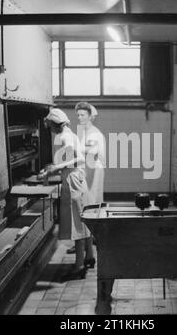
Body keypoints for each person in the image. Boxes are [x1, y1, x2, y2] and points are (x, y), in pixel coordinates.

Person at [38, 108, 94, 279]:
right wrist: (51, 170)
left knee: (77, 223)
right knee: (82, 220)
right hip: (75, 179)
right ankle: (90, 257)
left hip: (73, 182)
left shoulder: (65, 137)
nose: (49, 129)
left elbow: (79, 159)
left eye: (49, 125)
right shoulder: (69, 133)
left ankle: (78, 266)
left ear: (55, 124)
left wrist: (55, 168)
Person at [66, 102, 105, 262]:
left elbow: (93, 151)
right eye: (78, 115)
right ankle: (86, 246)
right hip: (88, 168)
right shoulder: (85, 132)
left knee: (90, 204)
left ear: (90, 116)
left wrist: (74, 148)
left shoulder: (94, 133)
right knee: (87, 205)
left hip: (93, 170)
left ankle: (90, 241)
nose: (79, 117)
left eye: (82, 115)